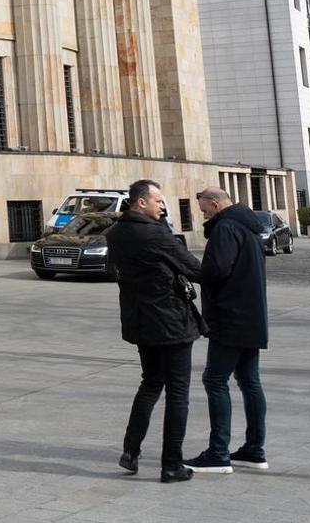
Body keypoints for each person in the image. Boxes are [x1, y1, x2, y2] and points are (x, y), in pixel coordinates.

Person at [106, 179, 204, 483]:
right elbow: (195, 269)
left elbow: (113, 270)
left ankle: (130, 451)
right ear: (141, 202)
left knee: (150, 383)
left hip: (140, 320)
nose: (163, 206)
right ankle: (171, 464)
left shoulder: (116, 232)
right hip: (171, 321)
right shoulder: (155, 233)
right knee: (178, 393)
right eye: (158, 201)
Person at [186, 187, 269, 475]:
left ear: (216, 202)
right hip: (251, 316)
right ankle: (254, 450)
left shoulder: (226, 228)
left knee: (215, 379)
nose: (203, 214)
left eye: (204, 209)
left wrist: (190, 270)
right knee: (249, 381)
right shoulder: (250, 228)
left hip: (230, 317)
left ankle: (218, 453)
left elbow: (216, 269)